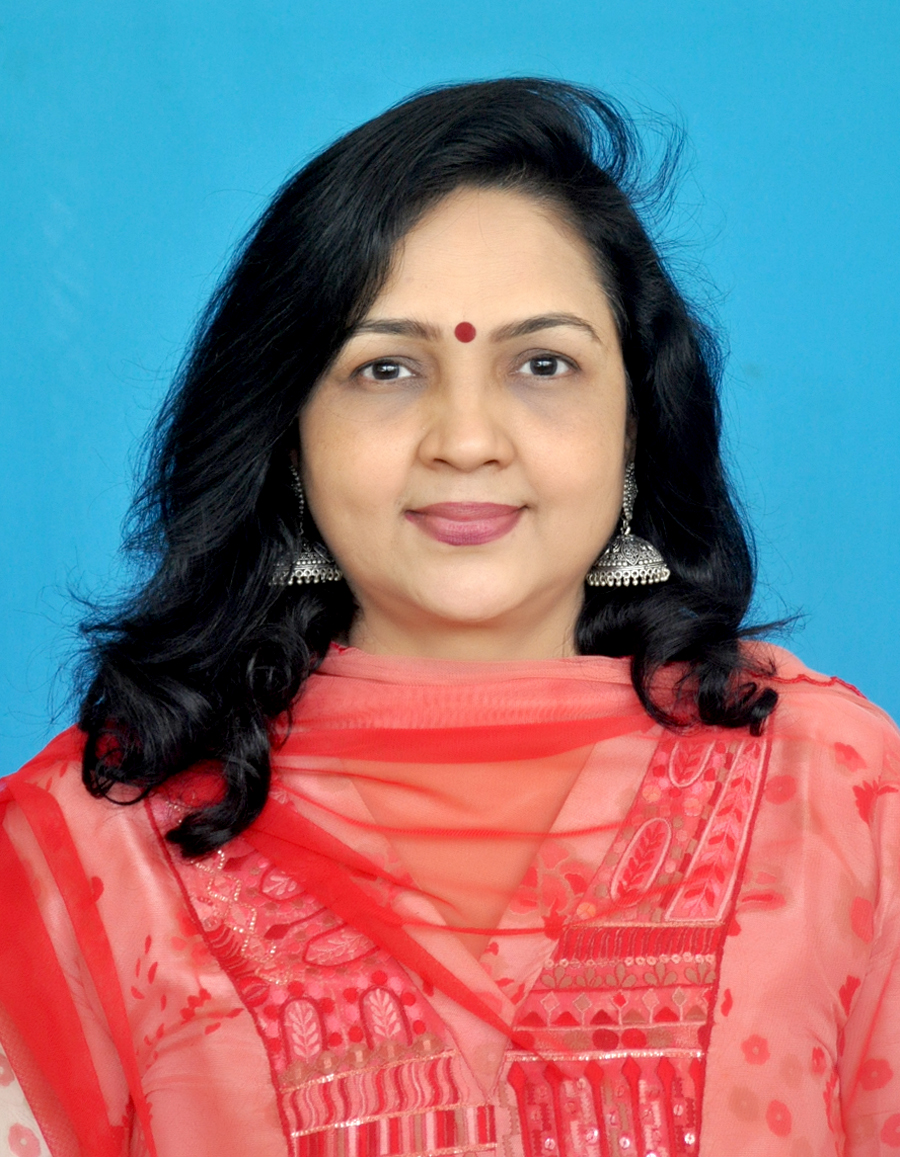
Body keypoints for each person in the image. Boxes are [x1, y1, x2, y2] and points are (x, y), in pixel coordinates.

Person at [1, 78, 898, 1157]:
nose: (466, 439)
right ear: (289, 435)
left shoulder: (840, 793)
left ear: (633, 425)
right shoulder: (93, 843)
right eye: (386, 368)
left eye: (543, 364)